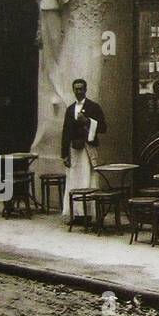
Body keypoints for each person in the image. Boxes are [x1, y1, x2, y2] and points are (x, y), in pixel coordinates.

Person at [60, 79, 108, 220]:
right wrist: (64, 154)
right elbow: (66, 132)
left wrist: (87, 121)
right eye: (76, 89)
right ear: (73, 90)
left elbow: (104, 128)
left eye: (81, 89)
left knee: (88, 178)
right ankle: (76, 213)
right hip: (74, 150)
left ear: (86, 89)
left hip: (87, 149)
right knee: (74, 180)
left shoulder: (94, 107)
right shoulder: (70, 109)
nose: (78, 92)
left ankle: (89, 213)